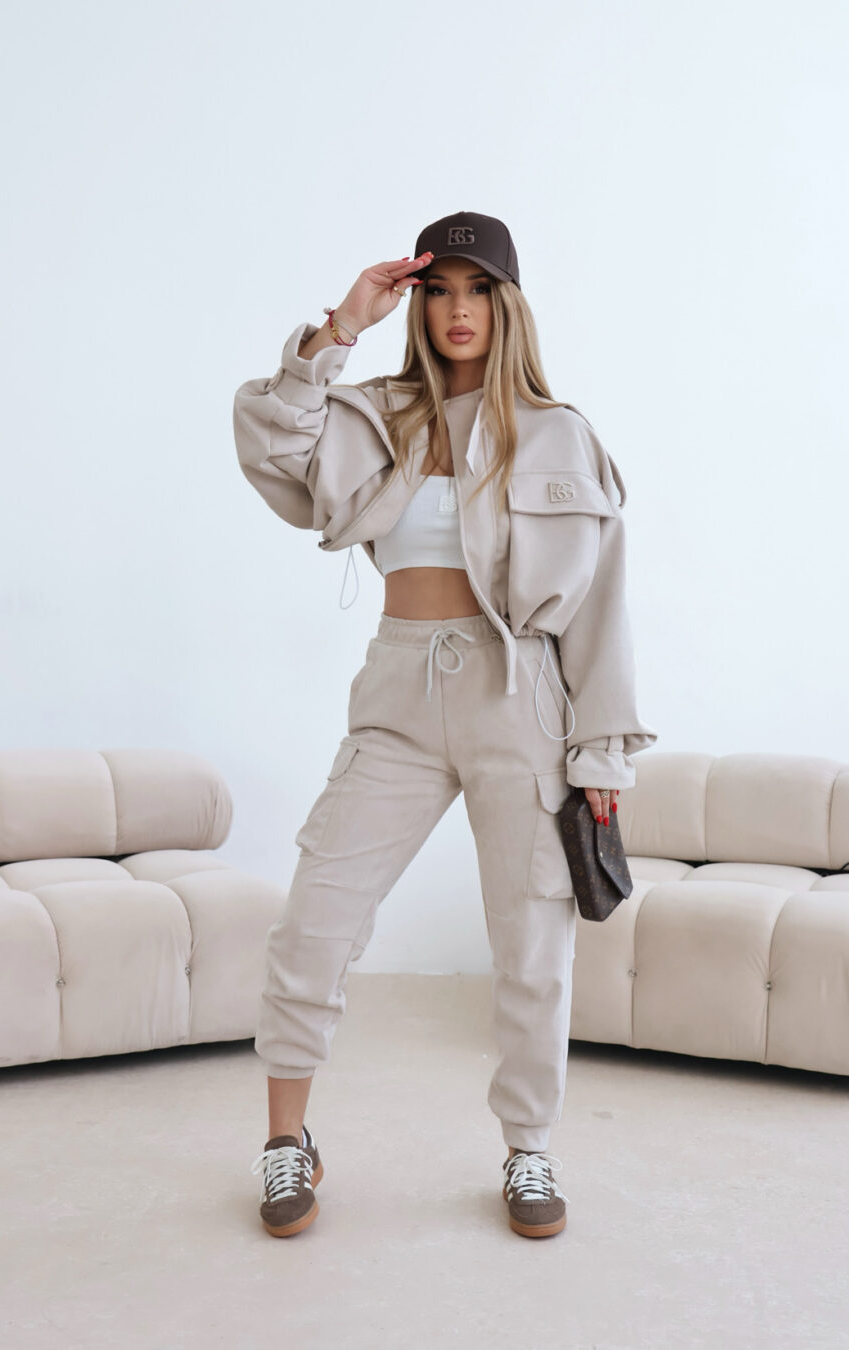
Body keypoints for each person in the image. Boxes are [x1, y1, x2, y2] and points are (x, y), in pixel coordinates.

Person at [234, 210, 657, 1240]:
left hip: (522, 699)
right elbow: (269, 443)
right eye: (438, 291)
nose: (458, 310)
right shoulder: (373, 415)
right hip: (399, 692)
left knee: (533, 942)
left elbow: (601, 609)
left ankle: (529, 1150)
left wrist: (601, 754)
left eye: (477, 290)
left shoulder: (560, 433)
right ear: (417, 304)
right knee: (316, 915)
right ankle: (286, 1142)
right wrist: (343, 324)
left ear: (507, 306)